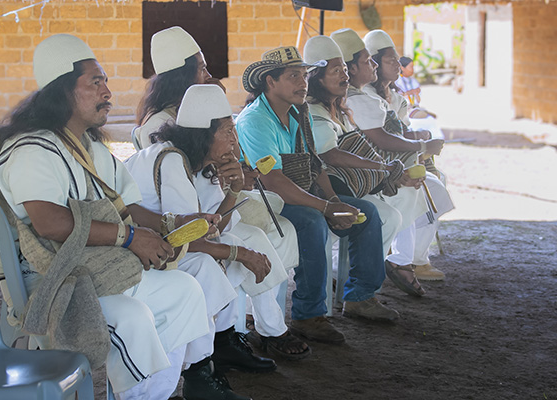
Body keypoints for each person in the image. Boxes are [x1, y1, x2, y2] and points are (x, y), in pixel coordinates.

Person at [0, 34, 224, 399]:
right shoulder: (32, 149)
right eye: (96, 83)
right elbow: (49, 222)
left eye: (106, 82)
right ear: (61, 90)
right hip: (55, 279)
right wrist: (128, 238)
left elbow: (128, 209)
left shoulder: (91, 146)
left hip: (97, 266)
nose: (107, 92)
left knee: (186, 291)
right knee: (134, 316)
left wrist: (173, 225)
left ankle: (150, 395)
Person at [134, 25, 301, 341]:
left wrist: (234, 179)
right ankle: (239, 336)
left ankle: (263, 329)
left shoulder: (196, 117)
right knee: (247, 245)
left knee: (261, 239)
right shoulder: (162, 131)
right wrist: (224, 181)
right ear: (181, 76)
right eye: (201, 68)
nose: (207, 74)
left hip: (211, 211)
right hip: (182, 221)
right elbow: (180, 202)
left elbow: (209, 181)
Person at [236, 46, 401, 341]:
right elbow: (272, 181)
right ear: (270, 82)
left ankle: (360, 296)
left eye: (304, 75)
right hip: (264, 200)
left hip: (299, 191)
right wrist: (325, 207)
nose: (303, 83)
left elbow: (315, 164)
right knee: (311, 220)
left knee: (368, 213)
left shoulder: (301, 113)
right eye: (293, 76)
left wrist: (334, 200)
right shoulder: (255, 121)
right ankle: (308, 314)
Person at [302, 35, 428, 257]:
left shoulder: (339, 107)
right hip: (329, 188)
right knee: (378, 213)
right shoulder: (314, 110)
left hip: (356, 182)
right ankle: (384, 268)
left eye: (344, 70)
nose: (345, 76)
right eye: (337, 71)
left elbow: (359, 148)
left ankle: (373, 278)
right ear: (318, 79)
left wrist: (391, 173)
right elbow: (332, 156)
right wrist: (386, 169)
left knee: (391, 215)